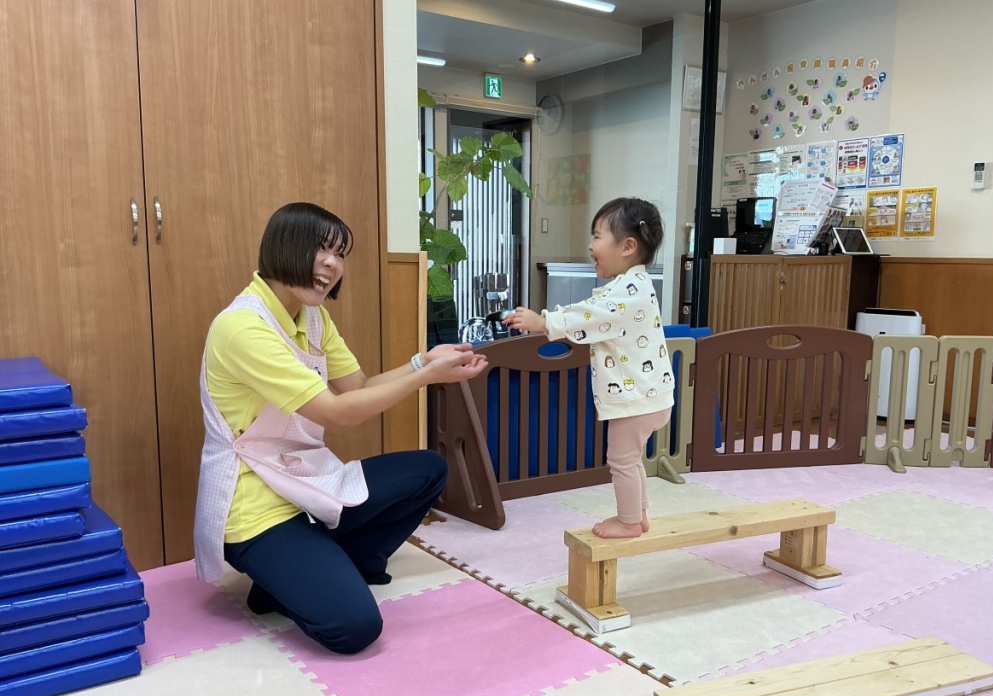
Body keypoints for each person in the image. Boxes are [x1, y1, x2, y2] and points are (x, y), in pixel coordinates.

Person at [194, 202, 487, 654]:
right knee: (355, 629)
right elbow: (336, 412)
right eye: (320, 249)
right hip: (254, 508)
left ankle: (302, 576)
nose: (332, 263)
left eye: (339, 253)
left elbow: (360, 386)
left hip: (306, 480)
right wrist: (425, 377)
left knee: (428, 469)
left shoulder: (314, 317)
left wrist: (421, 363)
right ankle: (293, 574)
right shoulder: (242, 327)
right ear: (281, 248)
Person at [504, 197, 675, 539]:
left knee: (621, 460)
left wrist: (542, 321)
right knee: (632, 458)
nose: (590, 245)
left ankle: (628, 522)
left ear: (628, 246)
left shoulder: (626, 292)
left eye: (597, 236)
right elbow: (593, 310)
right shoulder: (635, 285)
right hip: (652, 396)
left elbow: (590, 315)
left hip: (636, 399)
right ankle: (638, 516)